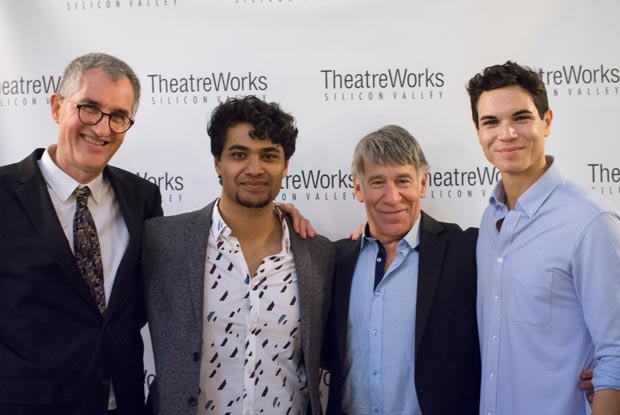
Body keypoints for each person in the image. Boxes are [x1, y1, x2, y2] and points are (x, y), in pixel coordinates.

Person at [143, 95, 334, 415]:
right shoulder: (163, 242)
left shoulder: (319, 255)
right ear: (218, 161)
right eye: (239, 154)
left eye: (269, 155)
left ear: (285, 165)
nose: (254, 169)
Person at [0, 53, 163, 415]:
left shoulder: (142, 198)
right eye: (89, 107)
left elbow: (158, 283)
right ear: (57, 107)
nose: (102, 129)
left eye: (118, 116)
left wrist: (269, 213)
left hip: (122, 403)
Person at [467, 61, 620, 415]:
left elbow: (615, 354)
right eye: (491, 122)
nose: (506, 134)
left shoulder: (589, 221)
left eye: (521, 117)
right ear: (478, 131)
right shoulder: (491, 216)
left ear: (546, 121)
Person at [324, 125, 481, 415]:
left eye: (403, 181)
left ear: (422, 184)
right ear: (358, 188)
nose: (392, 197)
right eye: (377, 182)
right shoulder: (336, 260)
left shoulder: (466, 251)